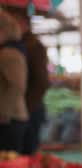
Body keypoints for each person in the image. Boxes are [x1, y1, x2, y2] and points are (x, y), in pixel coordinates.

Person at [6, 7, 49, 155]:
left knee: (25, 154)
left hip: (28, 109)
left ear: (24, 23)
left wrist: (26, 107)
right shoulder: (12, 46)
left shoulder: (33, 47)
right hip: (17, 110)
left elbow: (41, 82)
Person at [0, 9, 28, 152]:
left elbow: (17, 85)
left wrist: (4, 114)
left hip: (11, 118)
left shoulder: (9, 53)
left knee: (8, 163)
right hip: (10, 116)